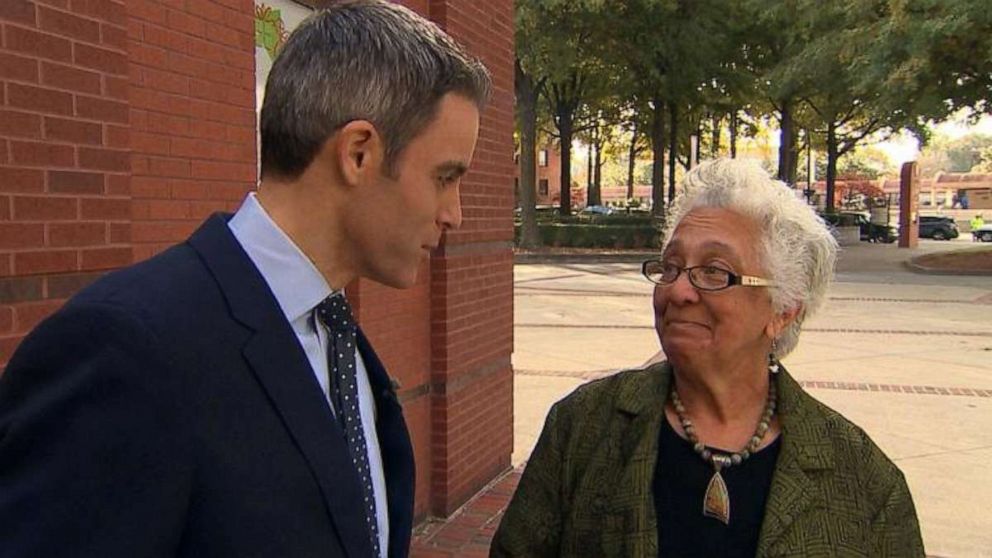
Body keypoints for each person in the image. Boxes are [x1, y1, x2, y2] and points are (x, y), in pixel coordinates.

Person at [0, 2, 490, 557]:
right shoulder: (125, 348)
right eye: (446, 177)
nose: (455, 214)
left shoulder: (334, 332)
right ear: (358, 153)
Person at [491, 159, 924, 557]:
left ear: (783, 310)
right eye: (672, 266)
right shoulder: (582, 426)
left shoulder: (864, 479)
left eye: (715, 271)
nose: (678, 291)